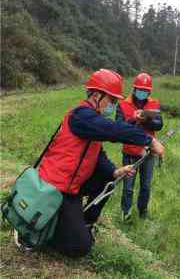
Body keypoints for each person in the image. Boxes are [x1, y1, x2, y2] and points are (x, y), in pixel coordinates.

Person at [37, 69, 164, 258]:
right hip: (56, 188)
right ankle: (51, 232)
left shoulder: (91, 119)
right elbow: (112, 130)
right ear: (97, 95)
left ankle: (84, 221)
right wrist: (149, 140)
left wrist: (114, 172)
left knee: (108, 182)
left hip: (72, 184)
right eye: (112, 100)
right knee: (80, 248)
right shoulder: (82, 115)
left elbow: (98, 153)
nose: (113, 105)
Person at [116, 72, 163, 222]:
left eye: (145, 91)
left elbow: (159, 124)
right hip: (130, 151)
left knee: (146, 185)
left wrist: (145, 121)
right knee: (128, 187)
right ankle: (126, 213)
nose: (142, 93)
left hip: (149, 152)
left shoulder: (154, 104)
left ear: (149, 92)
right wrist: (133, 119)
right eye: (139, 90)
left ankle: (143, 212)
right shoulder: (123, 104)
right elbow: (118, 126)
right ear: (134, 89)